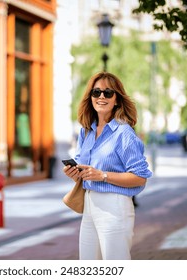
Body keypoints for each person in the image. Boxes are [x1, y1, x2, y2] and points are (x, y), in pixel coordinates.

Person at [63, 72, 152, 260]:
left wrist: (102, 175)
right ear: (90, 97)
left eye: (107, 92)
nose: (101, 97)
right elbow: (84, 168)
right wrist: (75, 173)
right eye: (96, 92)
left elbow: (140, 177)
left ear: (117, 99)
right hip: (89, 204)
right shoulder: (86, 131)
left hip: (114, 206)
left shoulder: (123, 133)